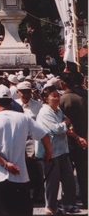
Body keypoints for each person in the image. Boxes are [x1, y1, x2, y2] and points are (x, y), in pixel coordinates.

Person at [0, 84, 52, 216]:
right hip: (21, 175)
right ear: (11, 101)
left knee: (2, 211)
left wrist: (5, 164)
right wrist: (49, 153)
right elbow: (44, 135)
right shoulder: (23, 118)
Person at [36, 85, 85, 215]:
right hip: (50, 152)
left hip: (62, 149)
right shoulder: (45, 112)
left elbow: (68, 126)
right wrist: (65, 123)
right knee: (52, 181)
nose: (57, 97)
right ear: (46, 98)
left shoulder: (57, 111)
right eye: (54, 95)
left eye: (58, 95)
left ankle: (68, 204)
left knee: (68, 178)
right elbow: (56, 129)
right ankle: (51, 207)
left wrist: (76, 136)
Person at [59, 71, 88, 209]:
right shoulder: (85, 96)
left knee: (68, 174)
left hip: (69, 140)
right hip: (84, 139)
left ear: (62, 83)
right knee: (84, 172)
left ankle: (69, 201)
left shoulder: (63, 99)